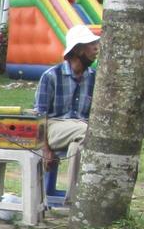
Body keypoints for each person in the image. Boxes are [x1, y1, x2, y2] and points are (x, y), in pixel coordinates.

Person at [34, 24, 98, 174]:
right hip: (54, 127)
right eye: (91, 44)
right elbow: (38, 116)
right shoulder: (51, 76)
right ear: (78, 50)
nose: (96, 48)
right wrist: (45, 149)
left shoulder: (95, 78)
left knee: (78, 147)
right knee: (90, 131)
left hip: (80, 128)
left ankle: (73, 196)